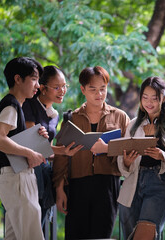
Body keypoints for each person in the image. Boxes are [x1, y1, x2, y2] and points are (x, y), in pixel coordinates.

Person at [52, 66, 130, 239]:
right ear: (83, 89)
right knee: (75, 235)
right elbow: (61, 157)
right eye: (93, 89)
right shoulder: (71, 119)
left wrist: (110, 149)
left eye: (103, 89)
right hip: (77, 185)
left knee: (102, 236)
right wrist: (59, 189)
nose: (99, 94)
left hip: (108, 185)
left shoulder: (120, 117)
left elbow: (129, 148)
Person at [0, 57, 47, 239]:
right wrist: (29, 152)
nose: (38, 85)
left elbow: (9, 140)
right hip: (17, 178)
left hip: (13, 178)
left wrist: (36, 140)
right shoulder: (12, 105)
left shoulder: (15, 106)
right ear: (18, 79)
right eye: (34, 79)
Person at [117, 76, 165, 240]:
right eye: (145, 97)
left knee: (145, 234)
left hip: (160, 182)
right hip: (133, 184)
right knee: (129, 234)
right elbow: (120, 157)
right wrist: (126, 162)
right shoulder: (133, 124)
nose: (149, 102)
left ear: (163, 99)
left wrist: (162, 156)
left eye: (154, 98)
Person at [22, 66, 83, 229]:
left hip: (43, 169)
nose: (62, 91)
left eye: (64, 86)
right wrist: (62, 150)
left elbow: (46, 148)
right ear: (42, 88)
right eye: (57, 87)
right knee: (28, 225)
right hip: (27, 171)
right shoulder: (29, 104)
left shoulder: (54, 114)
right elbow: (33, 143)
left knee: (40, 223)